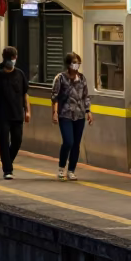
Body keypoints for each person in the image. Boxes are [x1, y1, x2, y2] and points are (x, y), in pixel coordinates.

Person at [0, 46, 31, 179]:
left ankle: (7, 161)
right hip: (1, 115)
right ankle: (7, 170)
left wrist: (27, 111)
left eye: (13, 58)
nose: (12, 61)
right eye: (10, 59)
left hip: (17, 114)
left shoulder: (20, 74)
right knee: (4, 142)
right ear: (5, 59)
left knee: (17, 141)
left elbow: (25, 94)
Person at [51, 52, 93, 180]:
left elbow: (85, 96)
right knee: (68, 141)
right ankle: (61, 167)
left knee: (76, 144)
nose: (77, 65)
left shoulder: (82, 78)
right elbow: (55, 97)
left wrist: (88, 111)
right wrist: (54, 112)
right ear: (68, 64)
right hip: (65, 114)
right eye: (74, 62)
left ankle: (71, 170)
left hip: (79, 115)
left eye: (78, 62)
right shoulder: (61, 78)